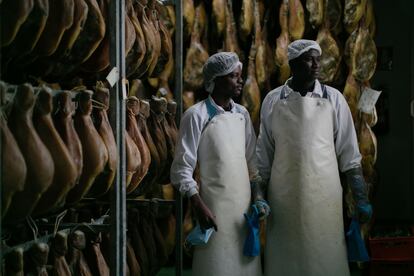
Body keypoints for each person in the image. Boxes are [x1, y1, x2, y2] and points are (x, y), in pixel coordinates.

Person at [256, 40, 373, 276]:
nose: (316, 64)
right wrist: (258, 196)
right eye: (309, 59)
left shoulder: (334, 98)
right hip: (284, 199)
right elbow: (262, 158)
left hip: (324, 198)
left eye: (318, 59)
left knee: (326, 259)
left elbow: (350, 156)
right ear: (293, 64)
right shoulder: (273, 100)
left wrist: (360, 197)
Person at [171, 52, 270, 276]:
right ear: (216, 80)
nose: (240, 81)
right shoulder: (196, 115)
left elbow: (252, 163)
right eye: (234, 76)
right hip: (214, 211)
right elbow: (181, 170)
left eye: (240, 76)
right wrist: (198, 205)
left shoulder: (242, 114)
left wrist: (259, 197)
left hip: (243, 214)